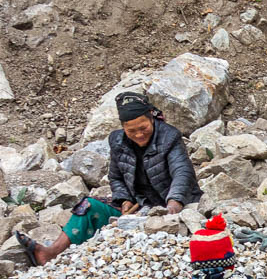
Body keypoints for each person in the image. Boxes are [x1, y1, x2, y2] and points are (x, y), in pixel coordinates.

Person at [15, 92, 201, 265]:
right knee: (87, 206)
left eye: (143, 128)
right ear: (123, 127)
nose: (138, 134)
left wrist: (174, 202)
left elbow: (182, 171)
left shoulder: (169, 136)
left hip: (176, 204)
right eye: (131, 130)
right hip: (141, 205)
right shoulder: (117, 141)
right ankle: (51, 252)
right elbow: (116, 177)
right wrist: (125, 200)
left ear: (152, 118)